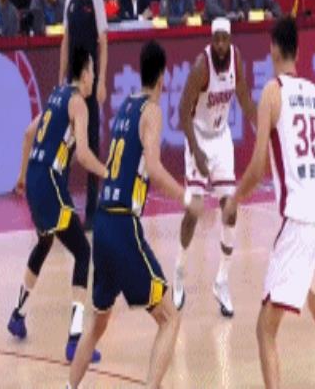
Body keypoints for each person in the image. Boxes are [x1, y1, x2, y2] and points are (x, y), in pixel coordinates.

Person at [67, 41, 202, 389]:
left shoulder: (126, 105)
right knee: (170, 317)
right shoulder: (152, 111)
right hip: (124, 225)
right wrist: (187, 197)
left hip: (102, 223)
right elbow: (153, 168)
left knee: (96, 325)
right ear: (163, 76)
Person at [223, 16, 315, 389]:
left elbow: (257, 169)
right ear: (298, 52)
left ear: (273, 49)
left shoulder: (272, 93)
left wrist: (235, 199)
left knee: (265, 329)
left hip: (300, 222)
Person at [7, 47, 108, 364]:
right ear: (84, 74)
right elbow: (84, 155)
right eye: (92, 71)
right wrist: (109, 173)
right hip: (50, 183)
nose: (94, 77)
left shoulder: (56, 96)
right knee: (83, 252)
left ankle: (17, 315)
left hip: (36, 180)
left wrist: (21, 176)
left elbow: (28, 134)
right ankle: (75, 341)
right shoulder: (79, 103)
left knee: (45, 241)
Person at [173, 17, 256, 317]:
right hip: (198, 137)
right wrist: (196, 152)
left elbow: (244, 99)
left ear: (230, 40)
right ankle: (179, 271)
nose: (221, 44)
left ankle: (221, 280)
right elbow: (182, 110)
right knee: (194, 211)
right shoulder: (202, 66)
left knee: (230, 209)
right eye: (216, 39)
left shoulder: (236, 59)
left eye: (225, 39)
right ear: (211, 40)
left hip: (221, 138)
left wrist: (261, 125)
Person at [59, 0, 108, 230]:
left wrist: (101, 81)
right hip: (72, 85)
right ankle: (64, 208)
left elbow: (104, 43)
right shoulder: (69, 0)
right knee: (67, 146)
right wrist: (61, 78)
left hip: (89, 86)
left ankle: (91, 212)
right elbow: (65, 41)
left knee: (89, 145)